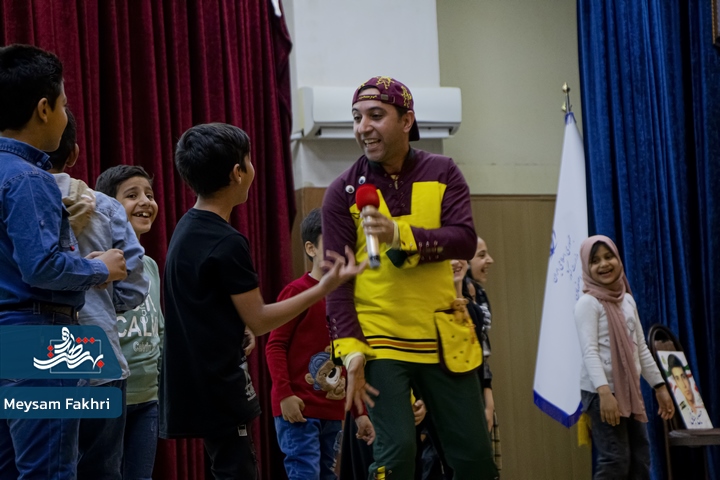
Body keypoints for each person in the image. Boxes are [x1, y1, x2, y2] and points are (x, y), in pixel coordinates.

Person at [159, 123, 365, 480]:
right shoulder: (227, 241)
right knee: (237, 471)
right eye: (249, 159)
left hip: (195, 380)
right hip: (219, 385)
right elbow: (261, 320)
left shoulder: (186, 228)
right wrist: (323, 287)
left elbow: (208, 308)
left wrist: (234, 329)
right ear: (237, 172)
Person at [322, 76, 498, 480]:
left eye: (375, 115)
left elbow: (463, 239)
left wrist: (399, 235)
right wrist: (350, 351)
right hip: (380, 341)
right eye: (356, 118)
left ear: (407, 121)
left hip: (444, 337)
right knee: (397, 454)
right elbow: (337, 284)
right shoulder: (342, 191)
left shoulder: (443, 171)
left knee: (475, 458)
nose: (363, 127)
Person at [0, 44, 127, 479]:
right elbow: (41, 268)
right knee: (50, 471)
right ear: (43, 109)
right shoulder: (28, 177)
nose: (65, 115)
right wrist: (102, 268)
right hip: (41, 336)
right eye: (64, 105)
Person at [47, 110, 148, 479]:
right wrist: (102, 303)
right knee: (102, 470)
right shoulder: (104, 206)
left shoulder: (12, 193)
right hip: (96, 347)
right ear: (74, 153)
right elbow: (134, 287)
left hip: (30, 350)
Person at [575, 235, 675, 478]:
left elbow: (640, 348)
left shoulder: (627, 300)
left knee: (640, 458)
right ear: (587, 267)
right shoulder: (588, 303)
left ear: (618, 259)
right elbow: (590, 352)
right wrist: (604, 393)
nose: (604, 264)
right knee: (615, 459)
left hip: (629, 390)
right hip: (601, 393)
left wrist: (660, 386)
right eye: (595, 260)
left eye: (608, 256)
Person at [266, 208, 347, 480]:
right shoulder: (296, 292)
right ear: (311, 248)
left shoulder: (345, 299)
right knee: (304, 474)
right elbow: (275, 346)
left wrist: (359, 412)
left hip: (332, 411)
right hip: (299, 410)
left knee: (327, 474)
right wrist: (284, 395)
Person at [96, 164, 165, 478]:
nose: (145, 202)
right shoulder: (99, 263)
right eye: (132, 195)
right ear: (109, 206)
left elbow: (159, 328)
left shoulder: (149, 266)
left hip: (148, 397)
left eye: (149, 194)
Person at [466, 237, 501, 470]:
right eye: (481, 255)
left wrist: (488, 396)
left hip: (481, 384)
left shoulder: (479, 292)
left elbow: (482, 351)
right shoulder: (457, 295)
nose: (490, 260)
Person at [667, 354, 710, 428]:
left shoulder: (700, 406)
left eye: (683, 377)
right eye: (677, 379)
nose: (684, 385)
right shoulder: (684, 412)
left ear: (688, 378)